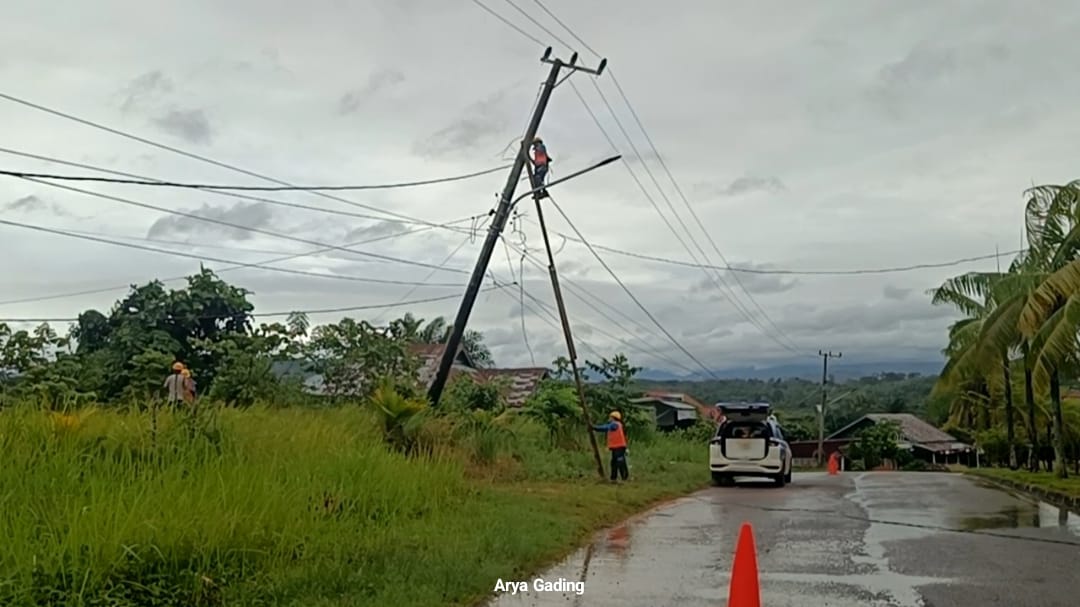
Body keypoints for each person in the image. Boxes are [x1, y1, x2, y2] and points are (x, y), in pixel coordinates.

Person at [592, 411, 629, 482]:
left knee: (619, 461)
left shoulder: (615, 424)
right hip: (616, 447)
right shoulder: (617, 424)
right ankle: (614, 478)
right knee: (614, 462)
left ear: (613, 418)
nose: (609, 418)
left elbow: (605, 427)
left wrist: (594, 427)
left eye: (610, 417)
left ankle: (623, 476)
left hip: (619, 447)